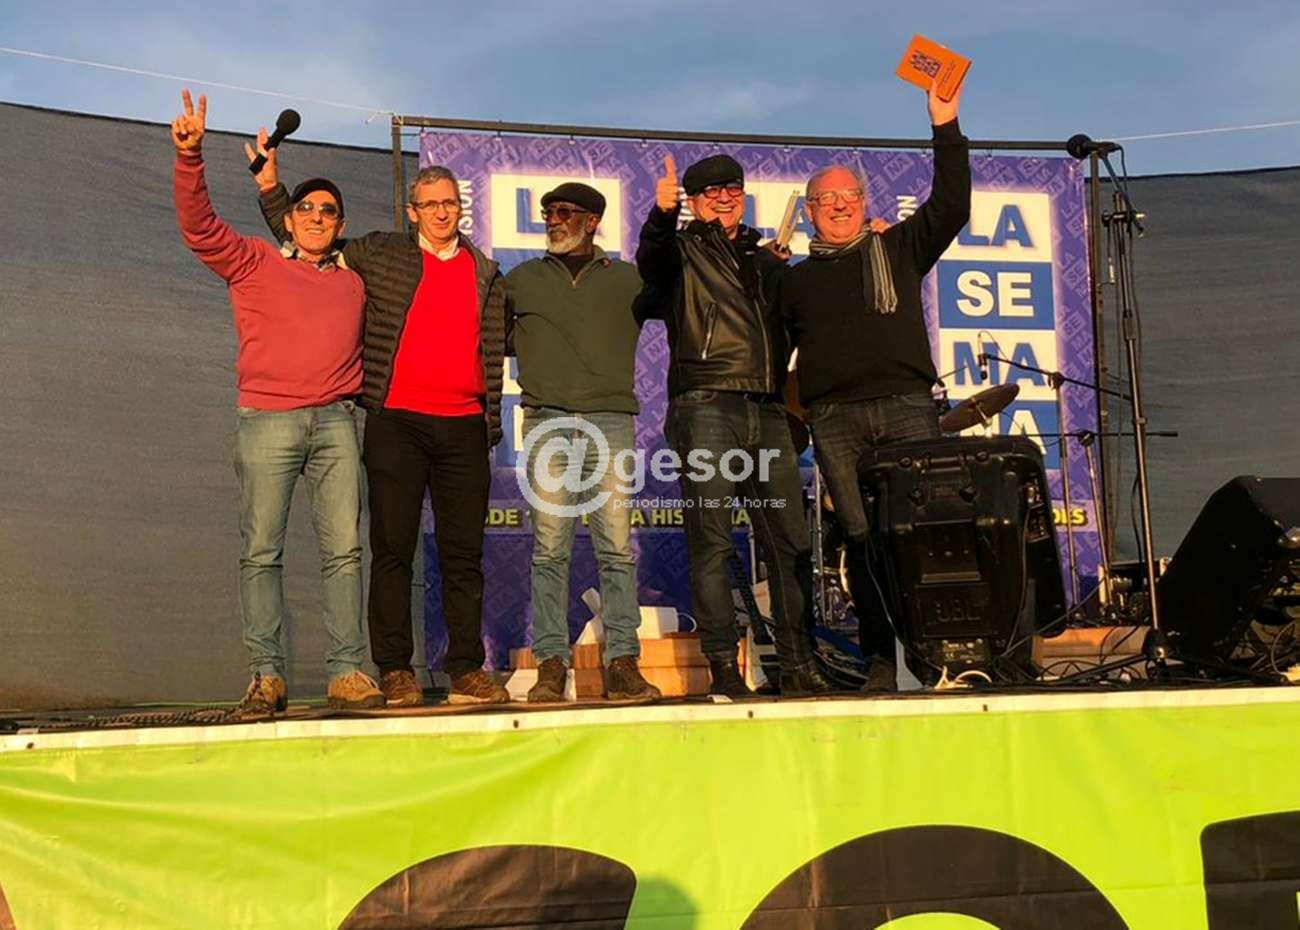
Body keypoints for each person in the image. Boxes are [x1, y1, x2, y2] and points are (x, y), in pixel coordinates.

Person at [254, 149, 509, 706]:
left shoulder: (486, 271)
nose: (441, 212)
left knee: (463, 553)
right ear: (412, 212)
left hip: (465, 426)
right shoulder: (382, 252)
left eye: (449, 203)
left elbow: (498, 344)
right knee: (392, 549)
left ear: (459, 208)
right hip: (397, 422)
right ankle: (394, 668)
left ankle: (466, 669)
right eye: (430, 204)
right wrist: (273, 192)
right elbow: (311, 239)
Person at [170, 89, 383, 716]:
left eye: (329, 211)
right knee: (262, 551)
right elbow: (199, 227)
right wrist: (190, 157)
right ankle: (266, 676)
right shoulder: (255, 262)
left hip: (338, 424)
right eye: (305, 208)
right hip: (267, 420)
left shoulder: (355, 282)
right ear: (288, 220)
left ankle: (347, 672)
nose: (316, 216)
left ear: (340, 225)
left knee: (345, 552)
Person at [777, 82, 971, 691]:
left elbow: (952, 205)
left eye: (848, 196)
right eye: (825, 199)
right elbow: (776, 361)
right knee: (861, 543)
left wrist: (945, 124)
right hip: (836, 422)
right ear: (810, 212)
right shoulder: (794, 282)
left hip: (908, 409)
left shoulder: (899, 246)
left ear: (864, 203)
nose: (838, 206)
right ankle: (882, 661)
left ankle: (935, 656)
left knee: (922, 535)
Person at [635, 153, 834, 697]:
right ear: (694, 202)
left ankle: (798, 664)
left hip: (767, 410)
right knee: (713, 542)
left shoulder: (764, 258)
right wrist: (661, 215)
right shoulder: (682, 250)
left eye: (733, 189)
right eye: (712, 191)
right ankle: (723, 665)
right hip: (706, 405)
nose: (724, 197)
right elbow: (651, 258)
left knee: (790, 541)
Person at [506, 182, 660, 703]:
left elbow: (679, 285)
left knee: (615, 547)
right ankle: (551, 665)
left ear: (592, 221)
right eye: (548, 211)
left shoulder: (628, 279)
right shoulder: (522, 280)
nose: (553, 219)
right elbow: (485, 334)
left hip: (610, 421)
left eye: (564, 211)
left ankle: (623, 663)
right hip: (546, 421)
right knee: (550, 549)